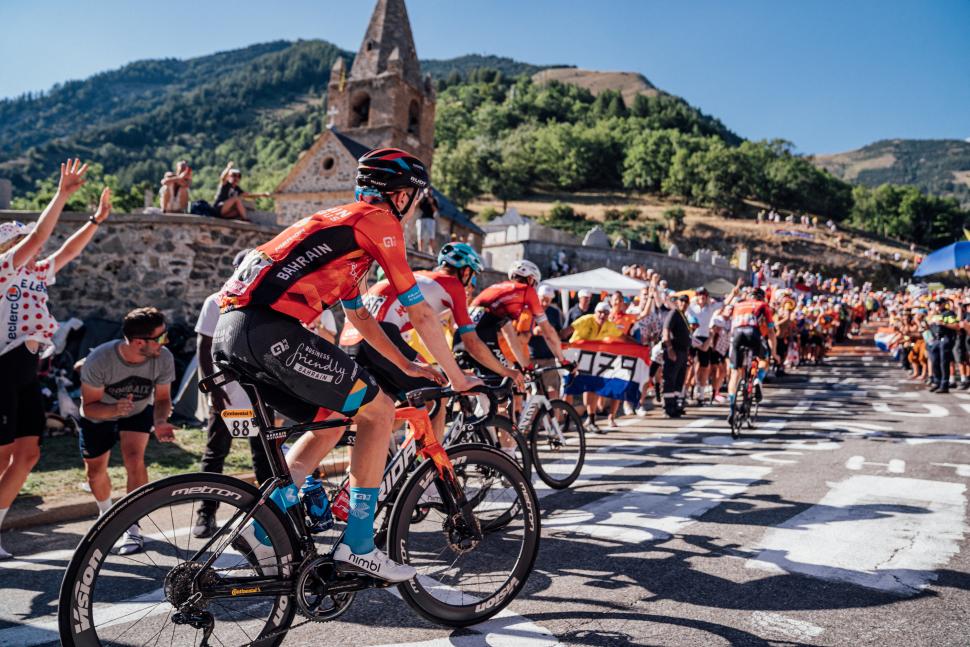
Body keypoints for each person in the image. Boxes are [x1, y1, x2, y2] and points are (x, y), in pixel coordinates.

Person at [215, 147, 479, 583]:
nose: (414, 207)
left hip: (236, 332)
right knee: (378, 413)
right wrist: (457, 375)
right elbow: (421, 312)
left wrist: (409, 366)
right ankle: (358, 544)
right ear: (398, 196)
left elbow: (360, 317)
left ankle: (263, 529)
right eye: (415, 196)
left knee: (333, 420)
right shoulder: (379, 222)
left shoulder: (341, 232)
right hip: (269, 329)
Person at [0, 159, 102, 560]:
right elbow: (42, 234)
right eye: (24, 241)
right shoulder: (4, 270)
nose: (34, 245)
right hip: (2, 369)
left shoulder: (36, 273)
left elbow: (67, 250)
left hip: (26, 372)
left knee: (28, 455)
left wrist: (94, 220)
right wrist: (62, 195)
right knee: (3, 456)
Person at [340, 241, 522, 441]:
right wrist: (507, 372)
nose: (471, 284)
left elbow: (429, 335)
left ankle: (366, 463)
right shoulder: (452, 284)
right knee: (436, 396)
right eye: (472, 277)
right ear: (466, 271)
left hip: (352, 337)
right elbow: (472, 343)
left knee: (377, 413)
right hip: (382, 335)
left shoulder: (421, 278)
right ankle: (431, 466)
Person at [79, 307, 177, 555]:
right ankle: (105, 513)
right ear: (138, 342)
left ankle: (131, 527)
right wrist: (113, 410)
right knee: (95, 471)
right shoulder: (100, 360)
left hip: (138, 410)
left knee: (134, 459)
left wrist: (161, 420)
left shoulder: (163, 357)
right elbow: (89, 407)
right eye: (160, 337)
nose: (166, 342)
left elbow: (163, 398)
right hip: (100, 413)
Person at [191, 250, 273, 538]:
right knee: (216, 455)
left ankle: (269, 517)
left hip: (259, 395)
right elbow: (204, 346)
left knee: (265, 458)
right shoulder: (215, 301)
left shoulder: (264, 302)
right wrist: (212, 388)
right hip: (227, 395)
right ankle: (206, 512)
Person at [463, 259, 567, 375]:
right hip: (481, 335)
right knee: (508, 378)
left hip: (463, 334)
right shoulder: (526, 290)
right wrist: (563, 360)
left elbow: (509, 334)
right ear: (530, 279)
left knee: (505, 374)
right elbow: (548, 332)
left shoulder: (497, 289)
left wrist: (525, 366)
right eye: (535, 283)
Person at [568, 301, 625, 432]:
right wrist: (558, 346)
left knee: (592, 388)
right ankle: (566, 420)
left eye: (606, 313)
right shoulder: (586, 320)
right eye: (600, 312)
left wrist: (638, 347)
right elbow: (566, 332)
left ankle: (591, 419)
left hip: (591, 360)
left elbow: (623, 338)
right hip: (574, 357)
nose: (602, 315)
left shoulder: (609, 325)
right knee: (568, 388)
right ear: (595, 312)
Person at [726, 288, 778, 426]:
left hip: (736, 335)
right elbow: (771, 332)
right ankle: (757, 380)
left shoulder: (738, 304)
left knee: (735, 373)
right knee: (764, 359)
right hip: (752, 333)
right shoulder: (762, 305)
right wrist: (773, 353)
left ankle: (732, 407)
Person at [530, 285, 565, 400]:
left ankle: (554, 417)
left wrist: (551, 332)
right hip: (531, 357)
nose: (545, 303)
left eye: (548, 301)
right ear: (537, 297)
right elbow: (518, 333)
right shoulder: (529, 310)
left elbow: (558, 334)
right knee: (534, 394)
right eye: (543, 300)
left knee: (553, 391)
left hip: (549, 358)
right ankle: (535, 417)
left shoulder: (554, 312)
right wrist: (533, 332)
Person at [686, 287, 720, 404]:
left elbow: (725, 303)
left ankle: (700, 393)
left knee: (704, 367)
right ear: (697, 296)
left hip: (704, 337)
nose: (702, 296)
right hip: (692, 337)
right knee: (690, 366)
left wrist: (734, 291)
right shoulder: (691, 307)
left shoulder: (710, 308)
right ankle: (685, 391)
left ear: (707, 297)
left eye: (704, 295)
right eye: (700, 294)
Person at [661, 294, 692, 418]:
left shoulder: (683, 316)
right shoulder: (674, 313)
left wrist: (688, 353)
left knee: (679, 380)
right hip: (674, 350)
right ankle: (668, 407)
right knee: (670, 378)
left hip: (683, 352)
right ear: (677, 302)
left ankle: (676, 405)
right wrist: (669, 349)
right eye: (681, 301)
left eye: (686, 301)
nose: (683, 303)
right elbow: (666, 331)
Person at [414, 187, 438, 254]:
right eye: (427, 192)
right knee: (420, 234)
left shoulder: (434, 199)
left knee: (431, 235)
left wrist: (431, 203)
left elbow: (435, 210)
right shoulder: (422, 199)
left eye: (429, 192)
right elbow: (415, 206)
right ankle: (420, 250)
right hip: (421, 219)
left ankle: (431, 250)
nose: (428, 193)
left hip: (430, 219)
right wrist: (420, 197)